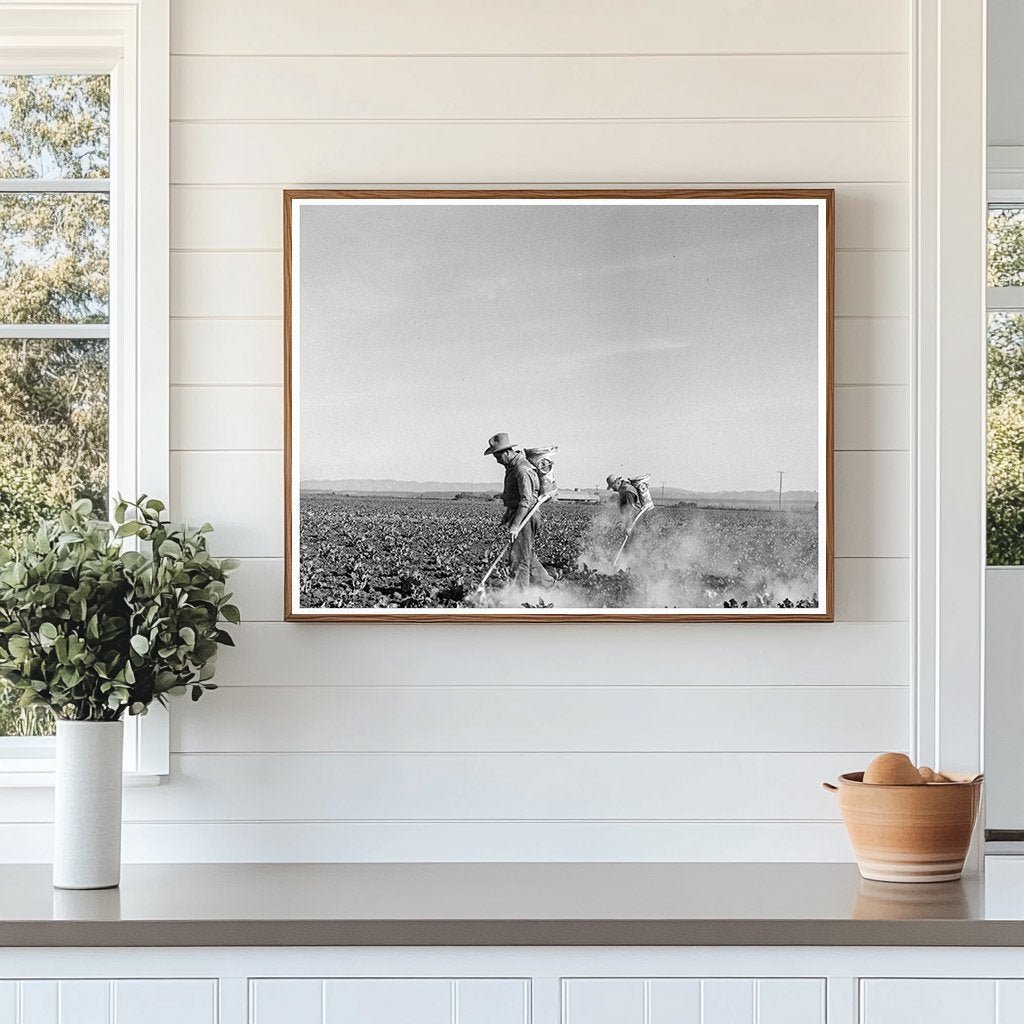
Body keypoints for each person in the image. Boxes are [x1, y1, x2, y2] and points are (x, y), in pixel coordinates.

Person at [484, 432, 554, 589]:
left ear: (507, 452)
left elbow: (526, 501)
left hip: (526, 517)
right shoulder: (513, 466)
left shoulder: (521, 469)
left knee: (519, 559)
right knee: (527, 556)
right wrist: (508, 515)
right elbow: (515, 497)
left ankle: (519, 598)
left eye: (497, 456)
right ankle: (550, 586)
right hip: (520, 514)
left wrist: (515, 525)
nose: (496, 461)